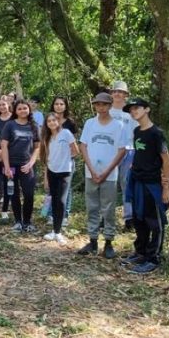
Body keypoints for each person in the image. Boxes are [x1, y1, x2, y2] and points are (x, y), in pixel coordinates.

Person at [122, 98, 169, 274]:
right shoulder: (136, 131)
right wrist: (134, 166)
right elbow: (139, 153)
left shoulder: (156, 133)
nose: (133, 112)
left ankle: (154, 258)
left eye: (137, 108)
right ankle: (140, 252)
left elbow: (166, 160)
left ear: (147, 110)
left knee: (155, 222)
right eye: (131, 110)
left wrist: (166, 187)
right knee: (138, 219)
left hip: (152, 184)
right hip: (137, 181)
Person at [77, 92, 126, 258]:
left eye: (104, 104)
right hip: (91, 172)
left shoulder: (118, 125)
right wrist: (91, 168)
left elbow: (122, 150)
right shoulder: (90, 123)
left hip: (109, 174)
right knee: (92, 206)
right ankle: (92, 241)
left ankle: (109, 242)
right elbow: (83, 146)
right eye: (98, 104)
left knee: (108, 208)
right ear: (95, 106)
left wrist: (107, 171)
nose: (101, 107)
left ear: (110, 106)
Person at [1, 99, 40, 233]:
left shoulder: (34, 126)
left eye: (25, 108)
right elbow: (4, 146)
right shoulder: (10, 125)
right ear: (15, 111)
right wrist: (6, 166)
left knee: (29, 194)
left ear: (29, 110)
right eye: (19, 108)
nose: (23, 110)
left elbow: (37, 148)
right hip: (11, 165)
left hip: (27, 166)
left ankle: (27, 222)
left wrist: (30, 163)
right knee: (14, 193)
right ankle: (18, 221)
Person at [40, 113, 78, 244]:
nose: (51, 123)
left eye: (54, 120)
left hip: (65, 172)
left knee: (61, 201)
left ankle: (58, 232)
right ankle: (54, 231)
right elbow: (46, 158)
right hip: (51, 171)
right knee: (54, 201)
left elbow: (75, 151)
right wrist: (45, 177)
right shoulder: (47, 137)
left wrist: (65, 160)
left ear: (58, 121)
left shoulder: (66, 133)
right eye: (49, 121)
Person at [110, 81, 138, 229]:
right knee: (109, 184)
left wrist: (137, 154)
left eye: (121, 92)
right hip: (110, 152)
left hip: (129, 151)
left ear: (126, 95)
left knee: (127, 184)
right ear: (111, 94)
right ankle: (106, 217)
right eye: (115, 91)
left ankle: (129, 218)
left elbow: (138, 134)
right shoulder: (106, 111)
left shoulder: (131, 112)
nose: (117, 94)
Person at [50, 95, 79, 225]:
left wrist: (68, 158)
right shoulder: (49, 120)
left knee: (66, 189)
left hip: (67, 162)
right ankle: (52, 214)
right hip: (53, 161)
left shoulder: (70, 123)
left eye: (61, 104)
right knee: (53, 189)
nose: (59, 106)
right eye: (56, 104)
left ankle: (65, 215)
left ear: (65, 106)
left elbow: (74, 145)